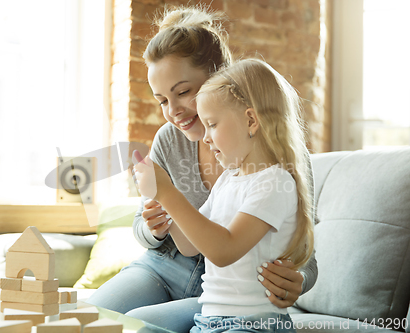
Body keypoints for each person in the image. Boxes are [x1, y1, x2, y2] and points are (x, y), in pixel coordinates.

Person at [86, 6, 317, 333]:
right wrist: (155, 225)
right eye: (162, 100)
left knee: (133, 326)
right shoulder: (169, 140)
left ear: (220, 78)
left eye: (183, 92)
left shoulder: (281, 158)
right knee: (86, 319)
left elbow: (303, 248)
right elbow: (152, 229)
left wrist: (299, 279)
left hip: (228, 295)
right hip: (162, 270)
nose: (173, 111)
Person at [133, 58, 314, 332]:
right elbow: (190, 247)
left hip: (255, 325)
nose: (205, 138)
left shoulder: (275, 182)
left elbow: (223, 251)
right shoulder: (229, 179)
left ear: (250, 120)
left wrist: (169, 194)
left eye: (212, 125)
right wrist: (164, 210)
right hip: (209, 319)